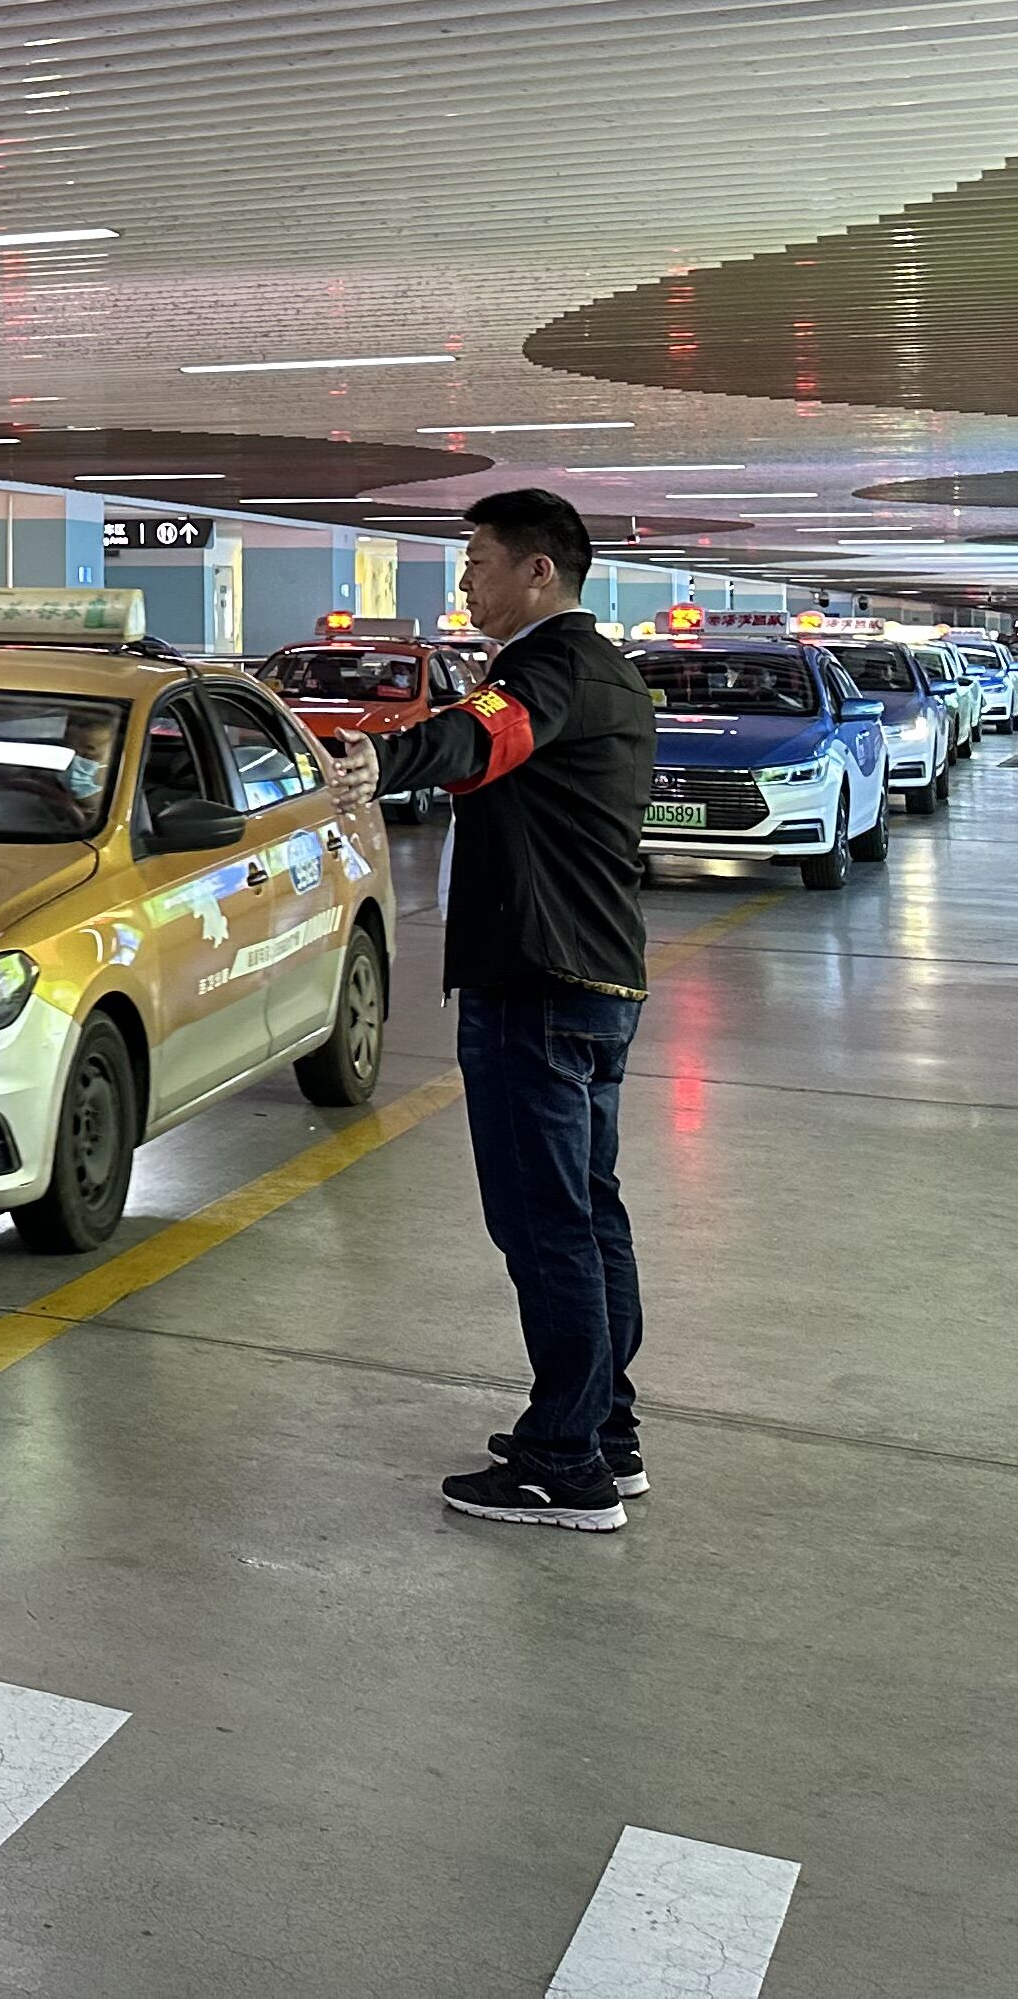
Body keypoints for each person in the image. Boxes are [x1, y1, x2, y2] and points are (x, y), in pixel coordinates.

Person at [321, 490, 660, 1534]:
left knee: (544, 1226)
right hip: (595, 978)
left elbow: (482, 737)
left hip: (536, 985)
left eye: (477, 561)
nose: (465, 580)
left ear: (538, 571)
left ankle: (564, 1465)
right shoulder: (605, 668)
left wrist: (383, 763)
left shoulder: (548, 670)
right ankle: (603, 1429)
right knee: (587, 1214)